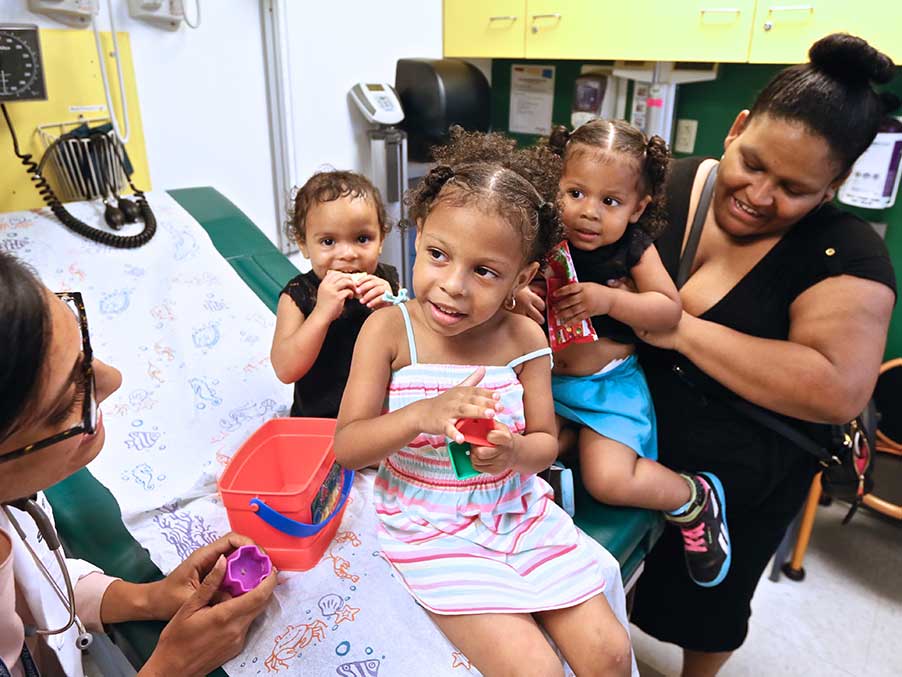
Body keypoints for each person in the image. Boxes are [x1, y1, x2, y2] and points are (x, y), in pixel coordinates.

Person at [629, 33, 897, 676]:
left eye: (794, 187)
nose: (758, 193)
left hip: (740, 480)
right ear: (737, 129)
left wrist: (678, 329)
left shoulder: (847, 254)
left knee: (710, 606)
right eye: (752, 163)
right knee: (598, 577)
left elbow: (836, 387)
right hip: (624, 443)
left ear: (832, 186)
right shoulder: (660, 187)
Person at [333, 128, 632, 677]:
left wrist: (514, 453)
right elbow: (348, 447)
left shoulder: (525, 341)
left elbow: (544, 443)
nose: (453, 285)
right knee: (534, 669)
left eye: (485, 271)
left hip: (515, 511)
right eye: (438, 255)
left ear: (522, 277)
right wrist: (421, 415)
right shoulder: (388, 330)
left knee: (609, 652)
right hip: (428, 522)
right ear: (418, 238)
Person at [0, 251, 277, 677]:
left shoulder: (13, 496)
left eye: (85, 352)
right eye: (65, 404)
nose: (113, 379)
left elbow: (38, 584)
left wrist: (149, 597)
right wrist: (169, 668)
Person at [518, 119, 732, 588]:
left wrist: (609, 300)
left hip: (607, 390)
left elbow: (667, 311)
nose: (589, 212)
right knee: (522, 454)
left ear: (638, 208)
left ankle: (690, 495)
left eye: (610, 201)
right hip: (545, 384)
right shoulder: (540, 236)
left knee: (608, 481)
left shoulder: (633, 248)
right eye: (575, 193)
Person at [271, 170, 400, 418]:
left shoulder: (387, 282)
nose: (347, 254)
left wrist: (392, 310)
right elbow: (285, 370)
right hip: (320, 419)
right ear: (303, 244)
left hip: (379, 419)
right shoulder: (298, 296)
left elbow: (415, 346)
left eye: (362, 238)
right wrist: (321, 314)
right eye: (328, 241)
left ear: (381, 239)